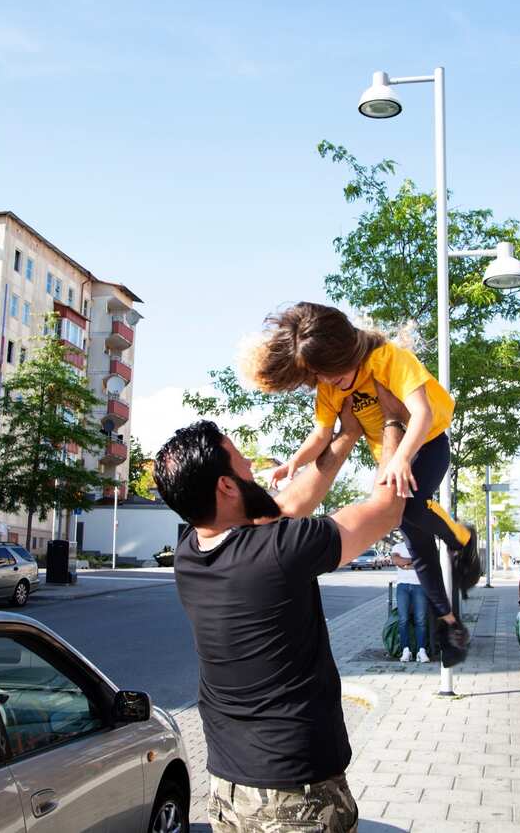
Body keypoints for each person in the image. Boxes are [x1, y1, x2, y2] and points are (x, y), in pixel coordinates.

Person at [155, 384, 408, 833]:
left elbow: (286, 504)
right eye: (241, 461)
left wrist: (347, 434)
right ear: (226, 486)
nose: (252, 466)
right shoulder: (280, 550)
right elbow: (387, 509)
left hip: (228, 791)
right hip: (296, 801)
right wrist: (392, 420)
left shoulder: (190, 553)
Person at [244, 302, 475, 666]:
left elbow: (422, 412)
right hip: (394, 459)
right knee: (417, 545)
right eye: (320, 376)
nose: (328, 382)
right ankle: (449, 623)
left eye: (333, 373)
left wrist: (402, 457)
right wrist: (294, 462)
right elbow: (321, 435)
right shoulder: (329, 385)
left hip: (427, 444)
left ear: (348, 350)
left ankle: (462, 537)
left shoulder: (387, 359)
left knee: (410, 508)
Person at [391, 536, 429, 663]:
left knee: (421, 619)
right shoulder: (397, 547)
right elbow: (396, 560)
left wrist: (405, 564)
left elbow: (424, 563)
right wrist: (415, 561)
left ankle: (421, 651)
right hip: (402, 586)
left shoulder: (422, 547)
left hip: (420, 585)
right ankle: (406, 651)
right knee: (403, 619)